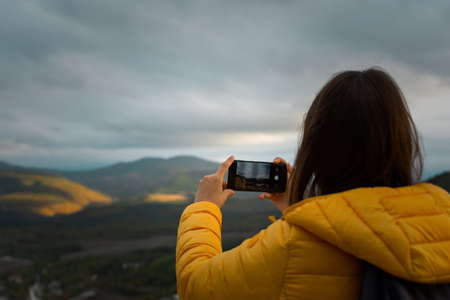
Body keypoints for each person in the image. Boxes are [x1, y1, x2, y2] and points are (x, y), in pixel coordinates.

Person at [175, 68, 450, 300]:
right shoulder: (443, 215)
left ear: (318, 146)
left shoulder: (291, 245)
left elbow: (195, 286)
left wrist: (205, 208)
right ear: (403, 140)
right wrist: (302, 208)